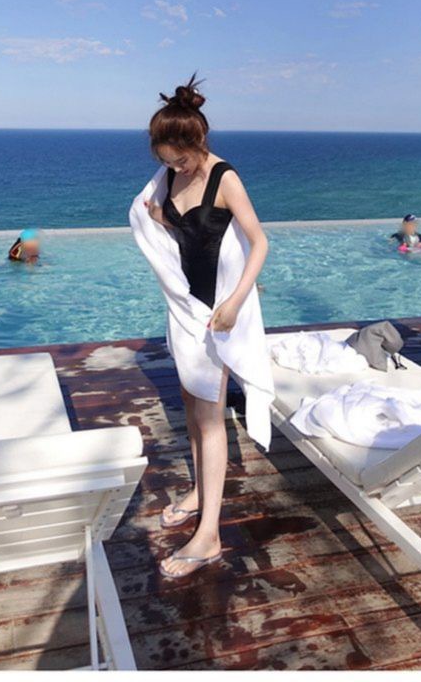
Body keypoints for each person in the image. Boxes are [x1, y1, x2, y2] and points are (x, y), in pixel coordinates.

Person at [136, 72, 271, 579]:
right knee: (192, 406)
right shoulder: (170, 177)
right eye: (167, 162)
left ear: (199, 142)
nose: (175, 169)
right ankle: (199, 490)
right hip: (186, 309)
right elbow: (187, 235)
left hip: (217, 314)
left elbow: (259, 242)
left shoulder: (224, 178)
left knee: (211, 417)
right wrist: (159, 219)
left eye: (181, 160)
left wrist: (236, 301)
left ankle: (209, 535)